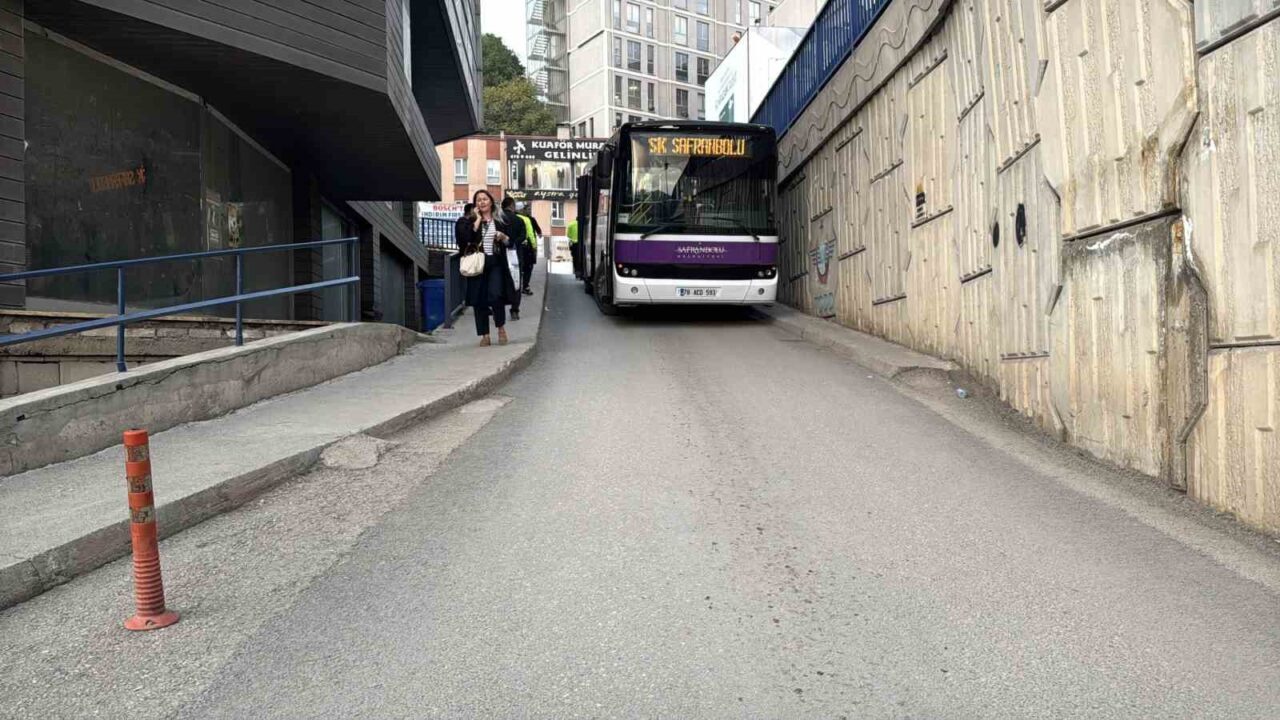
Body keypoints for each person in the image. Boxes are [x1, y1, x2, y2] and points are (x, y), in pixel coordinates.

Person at [458, 190, 519, 346]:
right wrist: (477, 220)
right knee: (479, 300)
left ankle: (500, 328)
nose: (482, 202)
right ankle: (485, 335)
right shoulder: (468, 221)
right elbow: (465, 241)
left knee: (495, 295)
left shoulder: (501, 220)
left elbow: (511, 242)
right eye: (478, 200)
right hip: (477, 265)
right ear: (475, 204)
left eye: (485, 199)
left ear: (491, 202)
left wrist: (504, 237)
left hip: (495, 263)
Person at [498, 197, 524, 319]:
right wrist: (513, 243)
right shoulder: (519, 220)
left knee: (500, 282)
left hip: (500, 256)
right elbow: (523, 236)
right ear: (512, 206)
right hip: (515, 255)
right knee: (516, 282)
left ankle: (498, 309)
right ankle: (515, 310)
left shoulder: (498, 220)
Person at [516, 202, 540, 295]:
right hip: (526, 247)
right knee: (528, 267)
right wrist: (534, 247)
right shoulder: (526, 219)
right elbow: (530, 234)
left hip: (513, 247)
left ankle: (516, 287)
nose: (526, 210)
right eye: (525, 209)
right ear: (521, 210)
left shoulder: (509, 218)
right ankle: (525, 286)